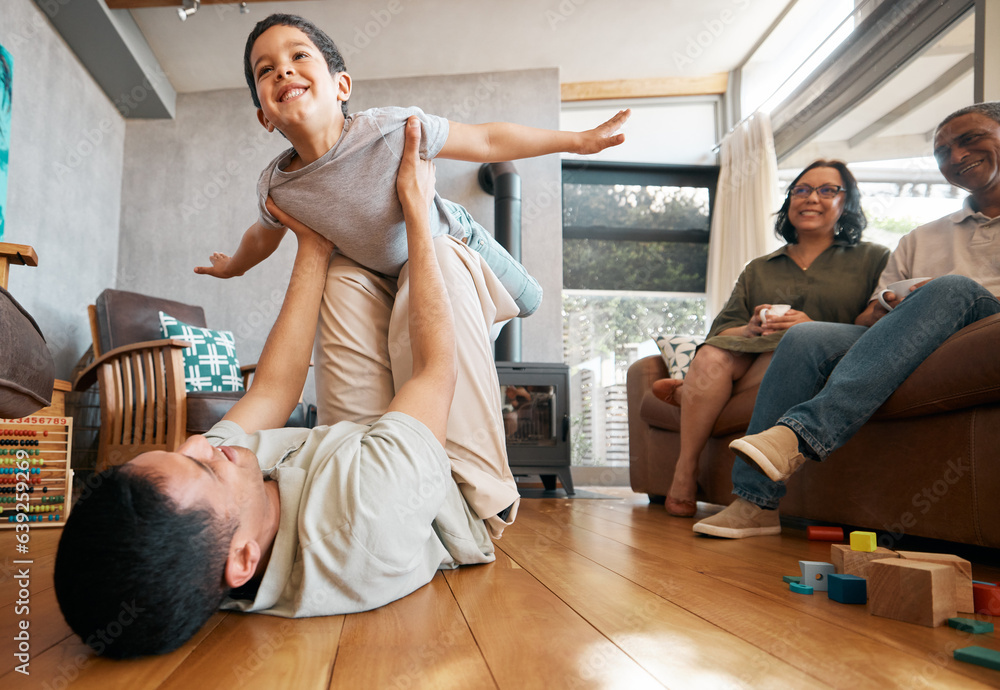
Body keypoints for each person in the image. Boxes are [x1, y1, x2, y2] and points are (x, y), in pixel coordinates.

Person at [54, 117, 516, 658]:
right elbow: (434, 373)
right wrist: (416, 206)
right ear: (244, 559)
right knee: (435, 254)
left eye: (178, 451)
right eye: (202, 465)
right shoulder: (365, 514)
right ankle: (483, 285)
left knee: (342, 276)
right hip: (447, 489)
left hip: (352, 453)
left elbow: (273, 389)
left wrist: (311, 246)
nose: (201, 442)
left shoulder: (214, 530)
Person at [693, 102, 1000, 538]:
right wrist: (890, 302)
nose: (954, 156)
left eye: (968, 139)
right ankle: (754, 503)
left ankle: (796, 436)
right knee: (805, 337)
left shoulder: (868, 253)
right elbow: (869, 316)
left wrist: (941, 292)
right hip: (920, 340)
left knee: (954, 287)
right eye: (942, 151)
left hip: (984, 330)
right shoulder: (921, 237)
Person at [194, 12, 631, 319]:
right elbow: (262, 236)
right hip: (386, 278)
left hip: (457, 242)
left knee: (528, 303)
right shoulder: (278, 187)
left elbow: (486, 138)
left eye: (299, 57)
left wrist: (578, 140)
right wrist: (234, 266)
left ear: (341, 84)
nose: (283, 72)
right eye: (265, 70)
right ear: (264, 117)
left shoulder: (387, 128)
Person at [651, 160, 889, 517]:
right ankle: (685, 470)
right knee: (712, 356)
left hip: (818, 355)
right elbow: (721, 332)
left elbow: (875, 324)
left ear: (847, 202)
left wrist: (809, 325)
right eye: (801, 190)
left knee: (781, 353)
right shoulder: (759, 268)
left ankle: (692, 393)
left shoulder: (874, 258)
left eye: (827, 190)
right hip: (750, 349)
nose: (811, 198)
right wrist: (750, 328)